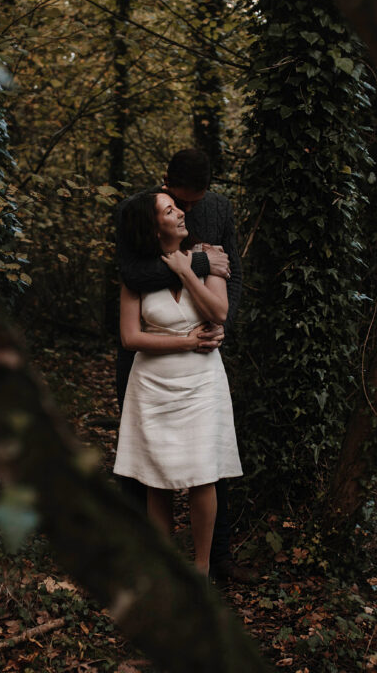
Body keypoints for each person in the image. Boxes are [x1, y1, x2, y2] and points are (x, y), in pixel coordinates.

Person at [115, 148, 256, 584]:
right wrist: (194, 261)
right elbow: (134, 273)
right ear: (164, 182)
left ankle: (215, 560)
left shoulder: (219, 210)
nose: (188, 212)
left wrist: (220, 327)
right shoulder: (135, 212)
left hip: (201, 363)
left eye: (194, 203)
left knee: (206, 469)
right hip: (148, 362)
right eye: (179, 203)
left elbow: (230, 273)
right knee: (147, 465)